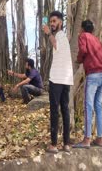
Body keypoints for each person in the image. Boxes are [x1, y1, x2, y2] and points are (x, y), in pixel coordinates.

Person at [72, 20, 102, 149]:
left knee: (88, 106)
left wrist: (79, 59)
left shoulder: (83, 36)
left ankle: (86, 139)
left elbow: (83, 50)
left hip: (92, 74)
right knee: (98, 106)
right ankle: (99, 138)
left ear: (82, 28)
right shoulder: (97, 40)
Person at [42, 11, 73, 153]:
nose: (52, 24)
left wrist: (49, 33)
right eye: (50, 22)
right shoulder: (64, 37)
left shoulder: (60, 36)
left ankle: (54, 145)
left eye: (54, 21)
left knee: (55, 111)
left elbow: (55, 45)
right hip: (65, 80)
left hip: (58, 79)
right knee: (65, 110)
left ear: (60, 22)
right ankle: (66, 143)